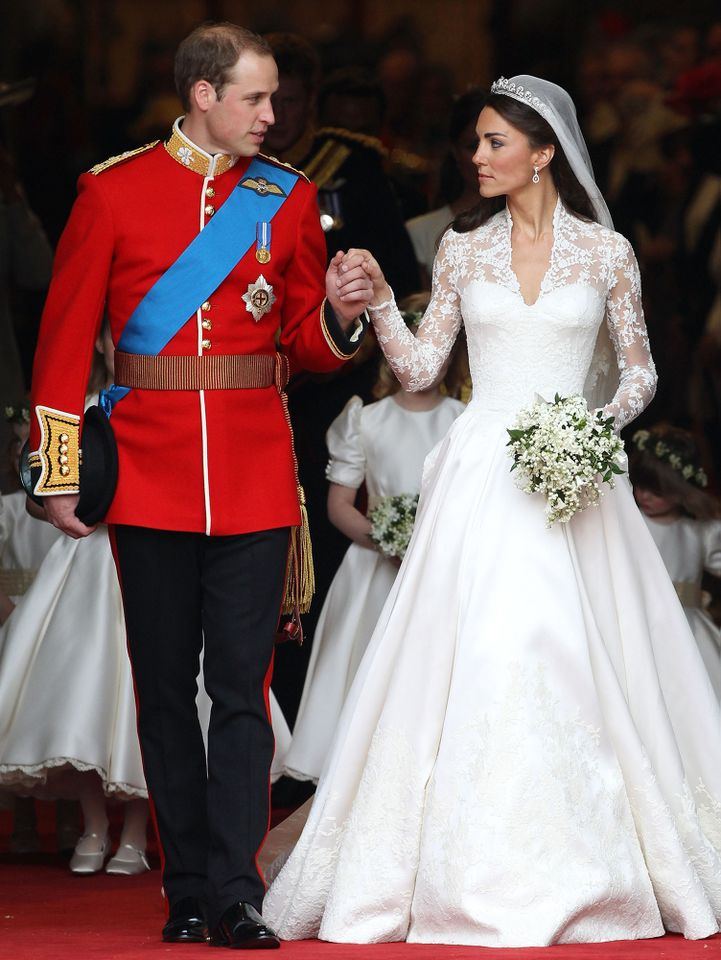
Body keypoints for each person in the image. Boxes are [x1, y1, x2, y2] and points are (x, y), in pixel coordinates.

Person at [263, 76, 721, 946]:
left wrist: (587, 432)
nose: (475, 157)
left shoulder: (606, 252)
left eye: (492, 143)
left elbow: (639, 373)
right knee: (485, 645)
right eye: (473, 143)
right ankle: (461, 860)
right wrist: (373, 313)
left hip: (574, 472)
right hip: (480, 470)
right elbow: (423, 370)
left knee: (584, 654)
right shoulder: (463, 252)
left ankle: (603, 855)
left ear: (542, 151)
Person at [27, 22, 371, 949]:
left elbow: (302, 339)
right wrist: (59, 473)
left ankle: (238, 889)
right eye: (256, 98)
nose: (273, 115)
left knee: (240, 690)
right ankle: (184, 889)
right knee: (164, 693)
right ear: (203, 96)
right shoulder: (112, 192)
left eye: (274, 99)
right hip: (146, 474)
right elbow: (63, 341)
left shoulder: (287, 198)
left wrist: (340, 319)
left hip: (256, 473)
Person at [281, 300, 467, 787]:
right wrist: (385, 536)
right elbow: (339, 505)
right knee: (366, 668)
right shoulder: (365, 418)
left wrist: (429, 539)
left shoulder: (464, 420)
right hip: (374, 570)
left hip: (443, 568)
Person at [629, 424, 721, 698]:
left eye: (657, 491)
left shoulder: (700, 532)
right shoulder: (632, 523)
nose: (644, 496)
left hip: (688, 628)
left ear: (681, 491)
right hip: (640, 619)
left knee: (694, 692)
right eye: (640, 486)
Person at [405, 88, 487, 287]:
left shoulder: (537, 225)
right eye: (473, 146)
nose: (484, 157)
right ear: (455, 152)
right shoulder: (421, 231)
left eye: (498, 143)